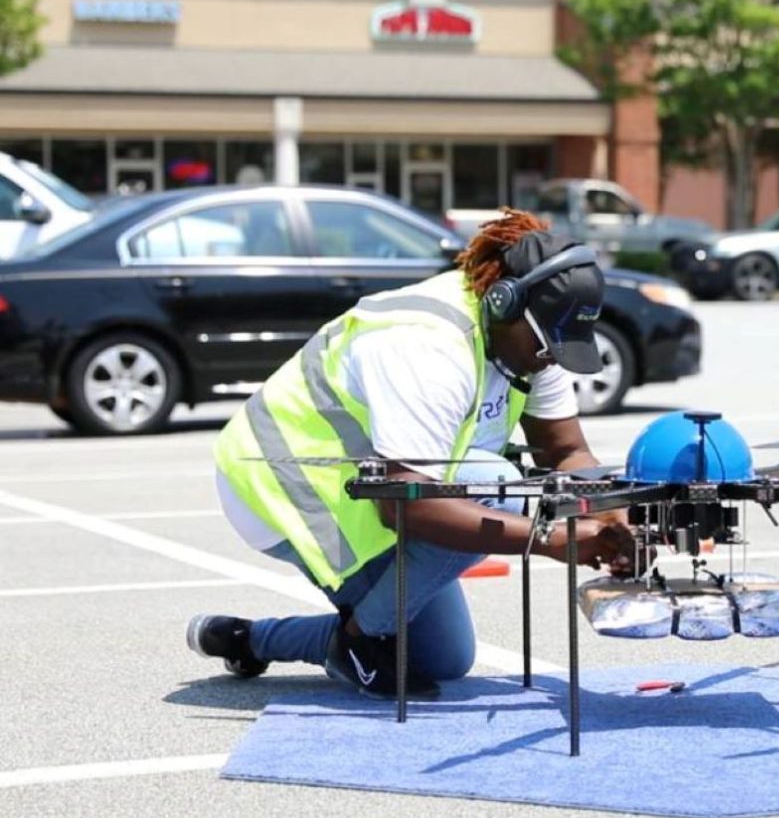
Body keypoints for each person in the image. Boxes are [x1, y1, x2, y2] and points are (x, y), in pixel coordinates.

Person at [186, 209, 639, 697]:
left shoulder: (536, 335)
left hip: (384, 490)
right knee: (497, 485)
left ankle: (249, 639)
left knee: (442, 658)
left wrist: (614, 517)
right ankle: (361, 640)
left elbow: (566, 451)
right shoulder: (424, 343)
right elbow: (408, 503)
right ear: (505, 302)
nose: (550, 358)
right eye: (546, 345)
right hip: (286, 486)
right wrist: (556, 540)